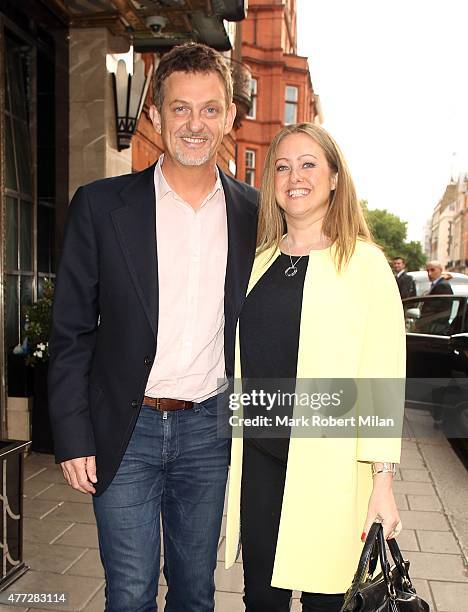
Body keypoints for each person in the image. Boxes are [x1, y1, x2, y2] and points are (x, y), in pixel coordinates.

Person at [48, 43, 258, 611]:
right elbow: (71, 329)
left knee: (195, 593)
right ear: (156, 115)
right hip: (126, 428)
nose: (195, 124)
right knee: (131, 591)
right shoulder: (99, 205)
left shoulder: (255, 215)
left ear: (230, 118)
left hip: (210, 433)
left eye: (210, 109)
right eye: (181, 108)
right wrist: (72, 434)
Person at [224, 123, 406, 611]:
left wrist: (382, 484)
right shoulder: (257, 260)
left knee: (327, 600)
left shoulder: (365, 264)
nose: (294, 176)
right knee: (261, 598)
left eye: (308, 164)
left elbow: (382, 378)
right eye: (282, 166)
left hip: (334, 469)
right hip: (261, 464)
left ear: (333, 179)